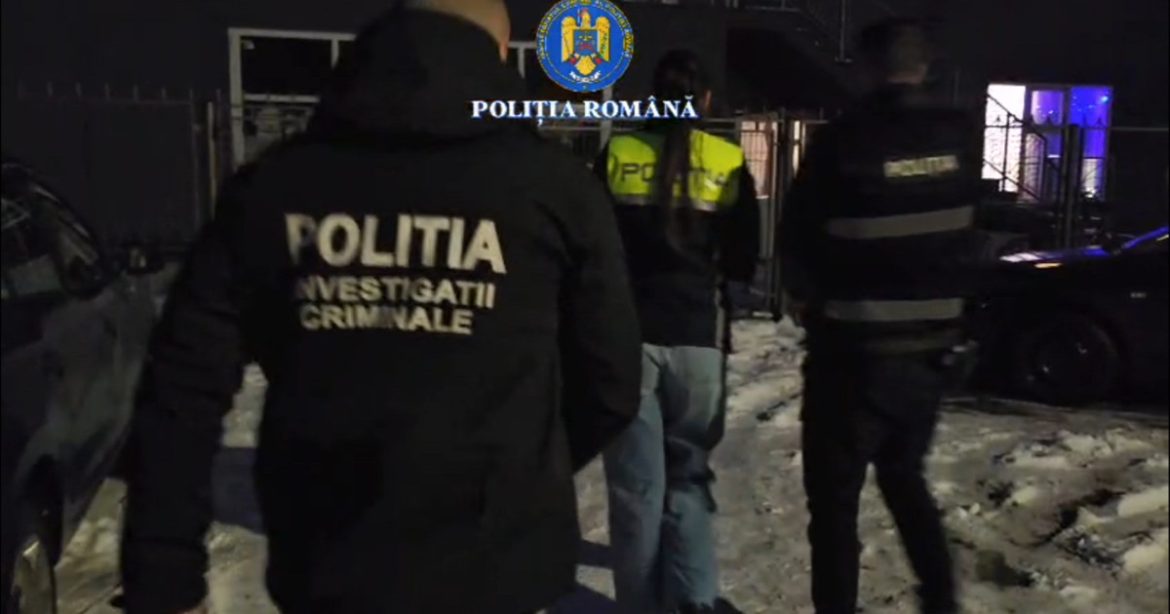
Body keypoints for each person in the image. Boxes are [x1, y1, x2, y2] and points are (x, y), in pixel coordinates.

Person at [117, 1, 642, 613]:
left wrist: (164, 578)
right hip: (494, 563)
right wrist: (520, 470)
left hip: (330, 557)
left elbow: (181, 390)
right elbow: (610, 382)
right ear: (500, 55)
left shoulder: (274, 187)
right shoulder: (554, 189)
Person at [778, 18, 983, 614]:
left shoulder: (843, 141)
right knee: (905, 475)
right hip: (929, 353)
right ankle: (940, 600)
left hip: (852, 354)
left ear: (868, 68)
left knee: (834, 505)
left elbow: (798, 239)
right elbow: (971, 231)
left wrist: (809, 298)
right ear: (925, 65)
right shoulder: (960, 137)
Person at [594, 49, 760, 614]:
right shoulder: (728, 160)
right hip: (698, 342)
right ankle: (695, 603)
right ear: (706, 100)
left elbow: (594, 250)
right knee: (689, 483)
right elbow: (742, 260)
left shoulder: (619, 153)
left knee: (636, 493)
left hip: (629, 341)